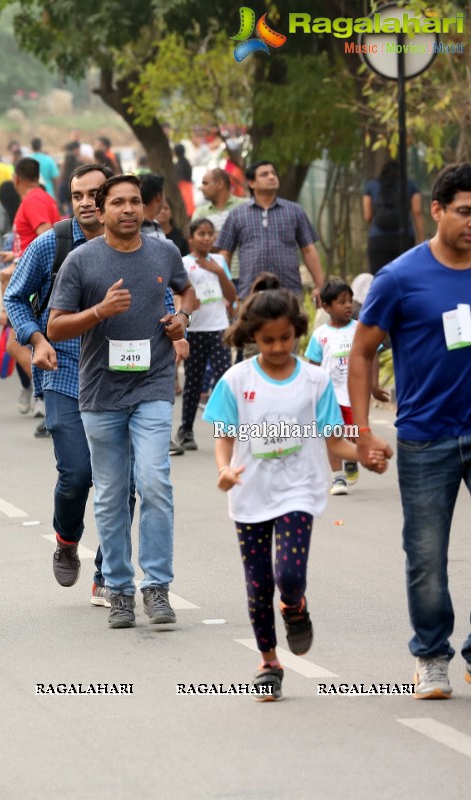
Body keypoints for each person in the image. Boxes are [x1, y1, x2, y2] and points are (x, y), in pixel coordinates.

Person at [203, 289, 376, 700]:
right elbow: (224, 437)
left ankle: (294, 606)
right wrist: (224, 470)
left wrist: (364, 454)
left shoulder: (314, 381)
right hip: (249, 495)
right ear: (252, 338)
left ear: (298, 332)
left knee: (289, 575)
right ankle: (269, 661)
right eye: (268, 341)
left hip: (299, 489)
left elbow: (335, 441)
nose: (278, 347)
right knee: (258, 583)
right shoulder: (236, 379)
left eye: (286, 338)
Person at [46, 173, 194, 629]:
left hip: (152, 384)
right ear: (101, 208)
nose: (128, 209)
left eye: (135, 202)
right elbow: (55, 326)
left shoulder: (163, 251)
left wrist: (182, 317)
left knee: (154, 483)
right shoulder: (81, 261)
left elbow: (186, 289)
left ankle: (157, 587)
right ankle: (120, 590)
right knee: (110, 496)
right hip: (100, 393)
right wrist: (99, 312)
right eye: (118, 203)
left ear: (144, 209)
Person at [348, 161, 471, 700]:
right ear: (438, 210)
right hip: (426, 436)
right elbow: (361, 352)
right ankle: (430, 656)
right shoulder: (400, 276)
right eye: (465, 212)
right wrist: (362, 433)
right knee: (426, 555)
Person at [4, 163, 113, 597]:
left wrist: (175, 326)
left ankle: (109, 574)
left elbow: (164, 294)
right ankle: (66, 541)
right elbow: (16, 296)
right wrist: (36, 338)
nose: (86, 202)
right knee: (77, 474)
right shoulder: (53, 243)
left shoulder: (141, 245)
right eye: (77, 195)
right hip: (63, 371)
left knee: (121, 481)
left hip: (121, 376)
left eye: (95, 194)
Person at [306, 279, 389, 495]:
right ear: (326, 307)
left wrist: (374, 386)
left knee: (353, 433)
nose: (348, 305)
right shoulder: (320, 335)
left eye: (350, 301)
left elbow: (372, 357)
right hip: (329, 395)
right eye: (342, 301)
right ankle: (337, 477)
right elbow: (312, 366)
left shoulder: (360, 330)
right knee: (332, 434)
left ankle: (351, 457)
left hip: (354, 394)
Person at [216, 160, 326, 303]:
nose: (271, 177)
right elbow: (225, 254)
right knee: (251, 326)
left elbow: (308, 250)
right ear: (251, 183)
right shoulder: (237, 214)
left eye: (273, 173)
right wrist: (226, 292)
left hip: (289, 291)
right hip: (250, 294)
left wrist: (320, 285)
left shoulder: (294, 211)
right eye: (264, 174)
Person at [176, 218, 237, 452]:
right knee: (193, 381)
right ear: (191, 238)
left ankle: (226, 428)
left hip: (219, 329)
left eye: (210, 233)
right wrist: (188, 305)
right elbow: (178, 293)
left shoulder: (219, 261)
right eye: (201, 234)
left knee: (224, 378)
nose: (206, 238)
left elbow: (231, 296)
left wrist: (219, 272)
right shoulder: (184, 263)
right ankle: (186, 429)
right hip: (195, 330)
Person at [364, 160, 426, 274]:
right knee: (405, 279)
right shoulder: (410, 184)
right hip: (404, 238)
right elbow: (417, 212)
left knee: (379, 279)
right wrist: (421, 239)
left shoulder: (372, 186)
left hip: (378, 240)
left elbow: (368, 216)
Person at [12, 156, 60, 254]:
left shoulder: (33, 201)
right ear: (38, 178)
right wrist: (15, 255)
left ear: (16, 179)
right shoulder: (44, 196)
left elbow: (47, 240)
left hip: (34, 268)